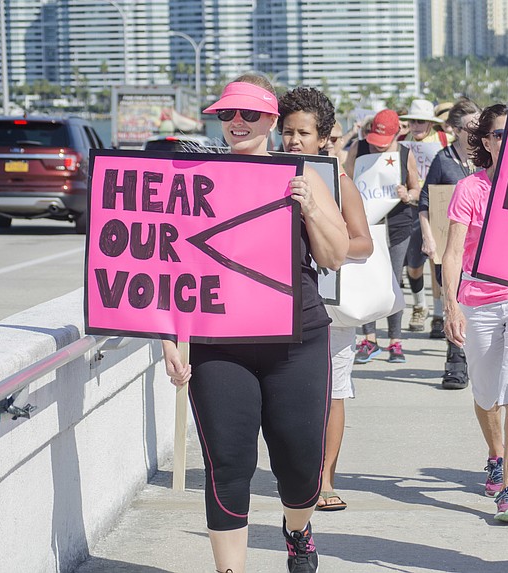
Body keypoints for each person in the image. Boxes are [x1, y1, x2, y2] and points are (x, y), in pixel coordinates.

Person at [162, 74, 349, 573]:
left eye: (249, 114)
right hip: (218, 342)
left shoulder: (305, 176)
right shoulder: (195, 179)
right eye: (227, 115)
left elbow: (334, 257)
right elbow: (166, 264)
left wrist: (308, 206)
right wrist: (167, 339)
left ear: (272, 120)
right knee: (228, 466)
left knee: (300, 467)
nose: (237, 123)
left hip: (298, 341)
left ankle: (297, 528)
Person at [442, 103, 508, 524]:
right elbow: (453, 254)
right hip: (478, 300)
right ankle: (495, 454)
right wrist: (451, 306)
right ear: (485, 141)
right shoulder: (470, 188)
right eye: (498, 134)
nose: (506, 140)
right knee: (487, 394)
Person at [278, 86, 374, 513]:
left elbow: (364, 244)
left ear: (324, 137)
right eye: (287, 131)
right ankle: (298, 473)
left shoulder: (339, 181)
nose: (294, 140)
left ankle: (327, 477)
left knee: (332, 393)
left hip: (329, 305)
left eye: (303, 133)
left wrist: (325, 243)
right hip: (280, 303)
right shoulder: (268, 173)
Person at [345, 109, 421, 363]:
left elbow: (416, 189)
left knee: (393, 281)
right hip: (366, 223)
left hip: (398, 224)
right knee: (369, 279)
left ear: (396, 134)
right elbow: (346, 178)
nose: (378, 148)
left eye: (383, 143)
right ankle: (369, 339)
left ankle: (395, 341)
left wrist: (406, 195)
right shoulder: (359, 147)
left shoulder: (404, 154)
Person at [418, 97, 481, 389]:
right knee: (453, 299)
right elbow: (426, 201)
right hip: (451, 244)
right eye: (471, 126)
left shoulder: (487, 159)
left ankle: (476, 359)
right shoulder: (444, 160)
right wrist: (429, 237)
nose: (477, 131)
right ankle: (455, 363)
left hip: (481, 248)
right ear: (456, 130)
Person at [400, 99, 449, 333]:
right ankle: (420, 305)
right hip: (411, 207)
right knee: (413, 265)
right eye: (412, 121)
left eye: (420, 121)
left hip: (438, 206)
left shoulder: (443, 142)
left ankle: (438, 314)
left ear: (430, 124)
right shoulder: (400, 145)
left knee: (437, 263)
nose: (416, 125)